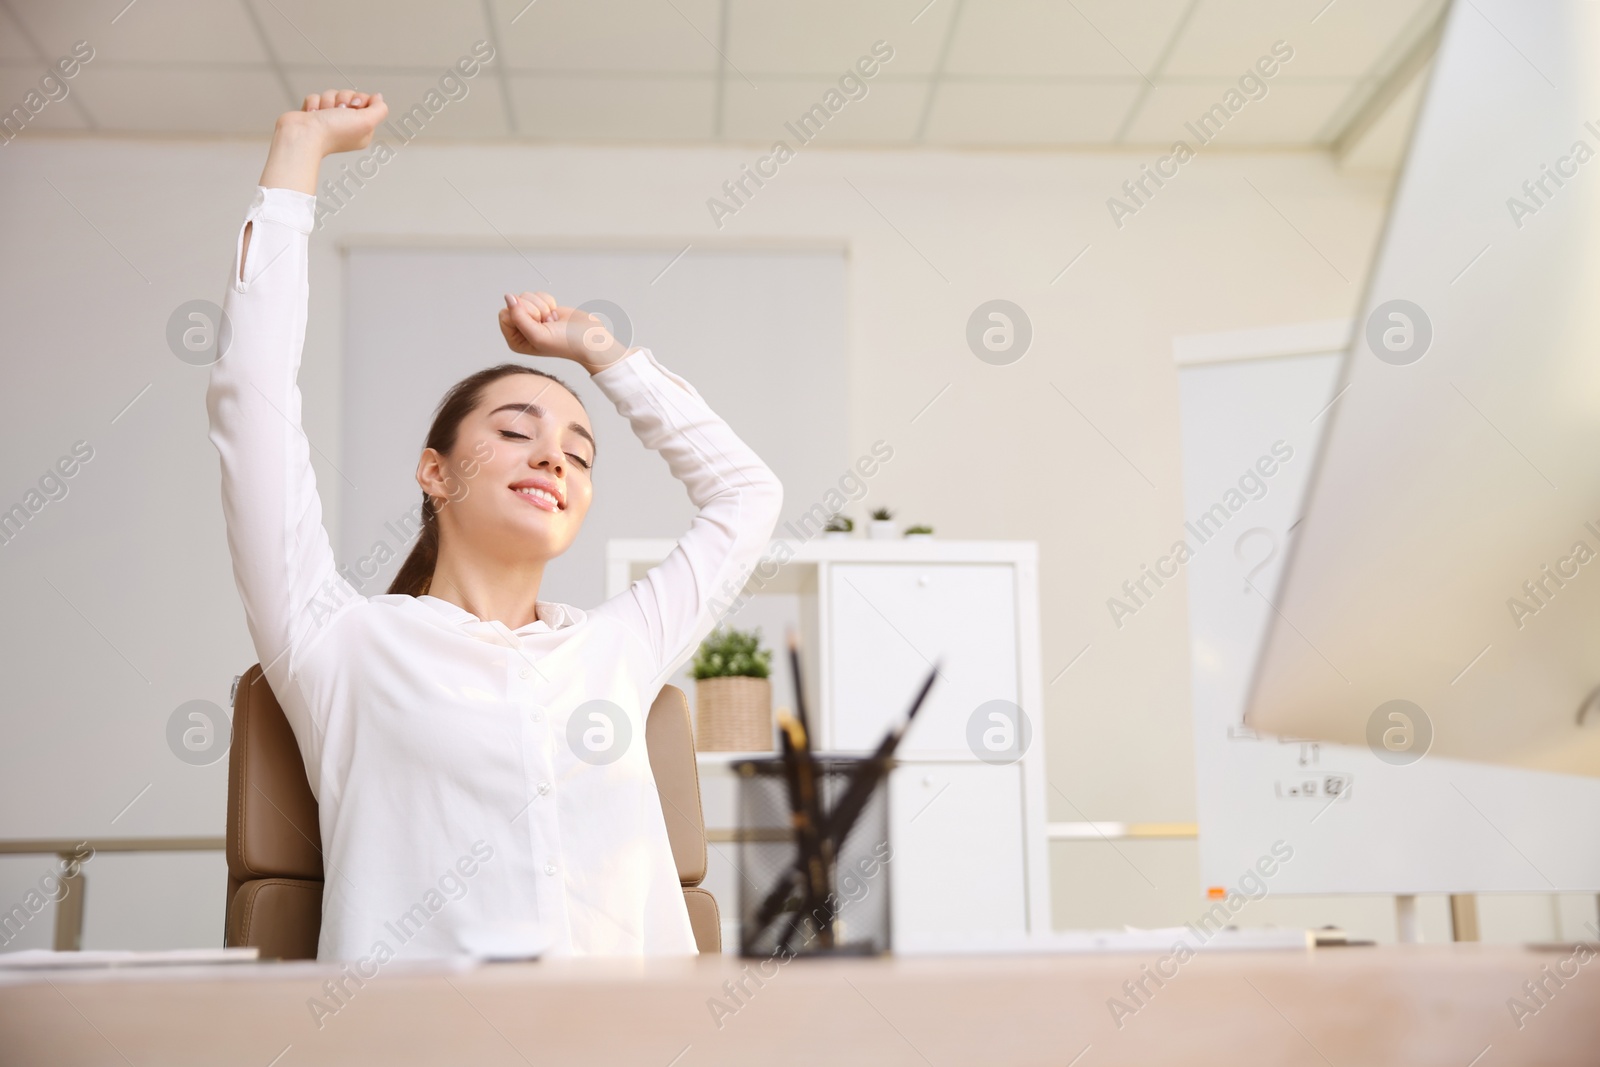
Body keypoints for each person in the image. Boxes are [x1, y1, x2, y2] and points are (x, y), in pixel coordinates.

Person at [208, 89, 784, 961]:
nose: (554, 457)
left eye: (579, 453)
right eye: (516, 431)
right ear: (435, 470)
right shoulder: (339, 642)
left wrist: (602, 353)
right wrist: (299, 152)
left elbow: (748, 495)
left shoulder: (614, 651)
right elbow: (250, 400)